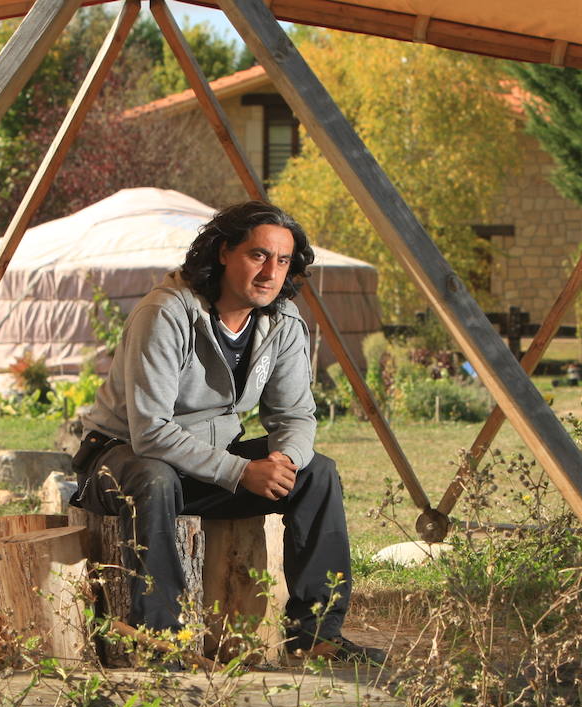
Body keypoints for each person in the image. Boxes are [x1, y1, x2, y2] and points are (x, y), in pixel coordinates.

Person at [72, 200, 386, 664]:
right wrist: (242, 472)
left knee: (316, 474)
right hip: (120, 462)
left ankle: (315, 634)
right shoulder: (166, 313)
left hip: (206, 465)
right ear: (223, 252)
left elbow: (295, 414)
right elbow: (151, 432)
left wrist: (284, 461)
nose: (270, 272)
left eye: (282, 261)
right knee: (155, 476)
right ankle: (160, 637)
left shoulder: (281, 322)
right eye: (258, 255)